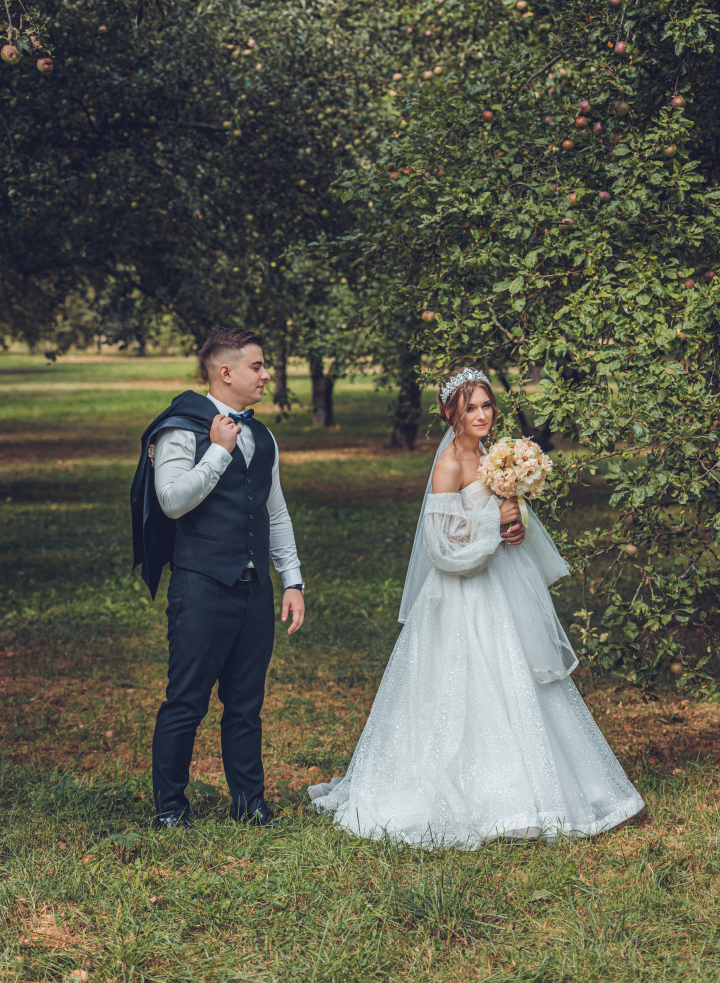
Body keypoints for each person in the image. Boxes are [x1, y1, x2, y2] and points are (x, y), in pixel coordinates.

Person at [309, 367, 643, 848]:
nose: (482, 414)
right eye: (471, 407)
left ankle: (544, 789)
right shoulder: (448, 465)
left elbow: (500, 516)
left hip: (500, 585)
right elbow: (443, 550)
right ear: (451, 413)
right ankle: (476, 795)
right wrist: (494, 521)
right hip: (461, 597)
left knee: (519, 680)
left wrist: (516, 522)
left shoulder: (492, 456)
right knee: (464, 687)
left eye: (487, 405)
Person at [131, 327, 305, 828]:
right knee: (186, 702)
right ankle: (170, 808)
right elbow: (171, 501)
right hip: (201, 586)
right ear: (226, 372)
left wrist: (292, 580)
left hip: (254, 592)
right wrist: (218, 452)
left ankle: (249, 803)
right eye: (257, 366)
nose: (267, 374)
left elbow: (276, 513)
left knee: (246, 704)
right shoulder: (180, 429)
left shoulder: (264, 435)